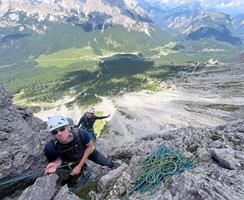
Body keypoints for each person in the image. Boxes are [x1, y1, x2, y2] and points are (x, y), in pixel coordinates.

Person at [44, 115, 114, 177]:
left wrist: (79, 165)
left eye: (62, 129)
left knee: (107, 164)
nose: (59, 133)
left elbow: (90, 146)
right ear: (52, 134)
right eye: (55, 132)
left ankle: (114, 165)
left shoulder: (81, 133)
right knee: (79, 176)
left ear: (68, 127)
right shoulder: (51, 147)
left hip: (86, 151)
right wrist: (55, 165)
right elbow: (59, 159)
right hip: (71, 160)